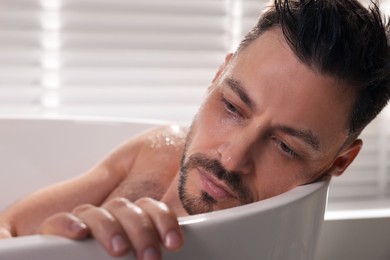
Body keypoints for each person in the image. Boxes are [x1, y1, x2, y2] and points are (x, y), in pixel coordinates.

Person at [1, 0, 389, 259]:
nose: (233, 157)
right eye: (233, 107)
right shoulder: (157, 150)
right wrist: (52, 245)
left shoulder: (265, 241)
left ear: (340, 161)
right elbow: (9, 226)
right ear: (218, 75)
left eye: (285, 147)